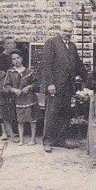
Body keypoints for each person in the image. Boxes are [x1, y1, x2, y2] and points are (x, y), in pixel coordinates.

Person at [39, 20, 87, 153]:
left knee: (65, 113)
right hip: (55, 86)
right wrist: (50, 83)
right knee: (52, 113)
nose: (67, 33)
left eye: (69, 31)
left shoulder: (72, 46)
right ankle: (47, 141)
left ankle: (60, 139)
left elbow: (78, 65)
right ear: (60, 31)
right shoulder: (52, 43)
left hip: (68, 86)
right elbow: (46, 65)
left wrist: (89, 79)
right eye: (65, 31)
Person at [4, 49, 39, 146]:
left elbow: (36, 83)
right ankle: (21, 139)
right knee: (20, 121)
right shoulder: (10, 72)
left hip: (30, 98)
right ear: (11, 61)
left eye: (18, 58)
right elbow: (6, 86)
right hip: (18, 100)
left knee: (32, 119)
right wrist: (13, 90)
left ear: (22, 58)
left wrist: (29, 87)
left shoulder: (29, 71)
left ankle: (33, 139)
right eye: (13, 59)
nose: (16, 60)